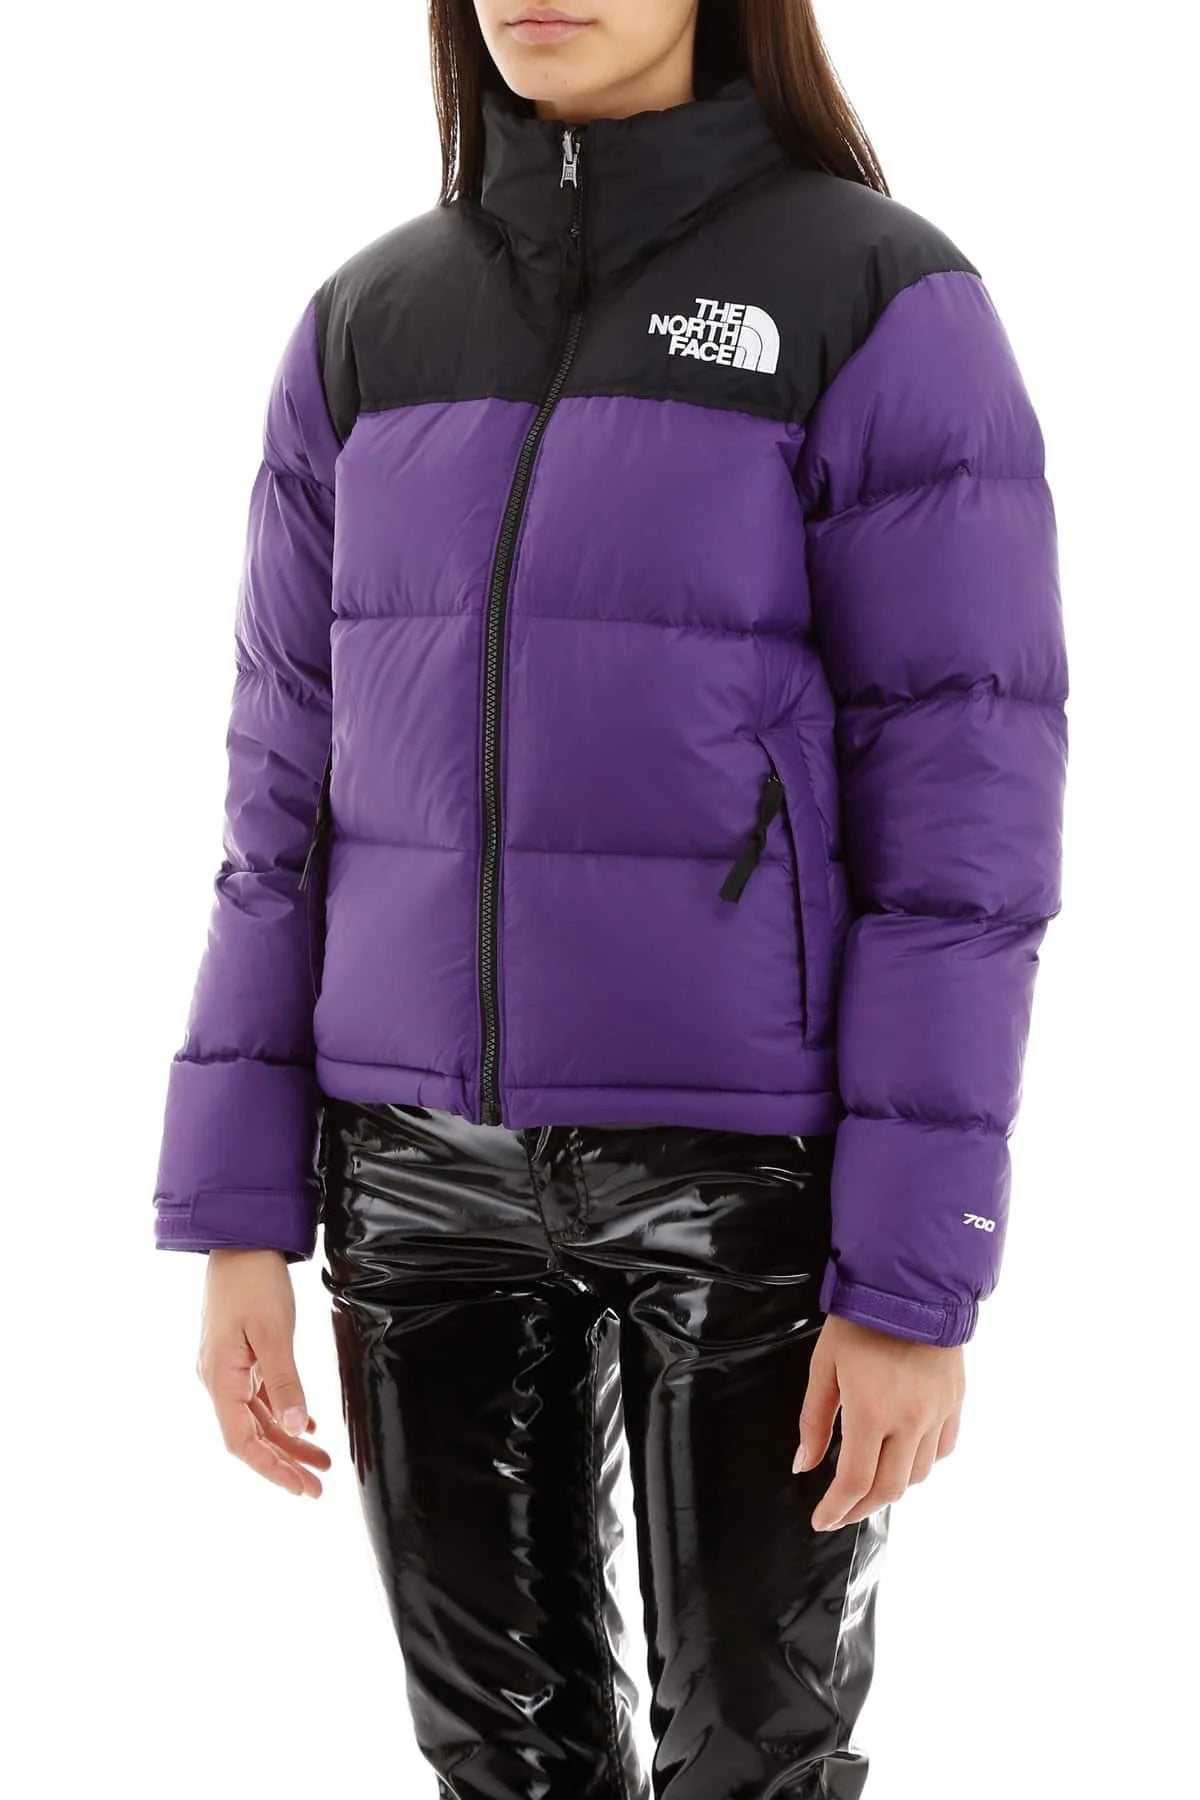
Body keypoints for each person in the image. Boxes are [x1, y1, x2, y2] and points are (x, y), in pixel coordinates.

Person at [151, 3, 1068, 1794]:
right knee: (498, 1767)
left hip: (744, 1182)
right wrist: (236, 1219)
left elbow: (967, 835)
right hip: (412, 1178)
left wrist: (915, 1276)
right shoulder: (367, 324)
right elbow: (279, 805)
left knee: (752, 1764)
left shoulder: (873, 297)